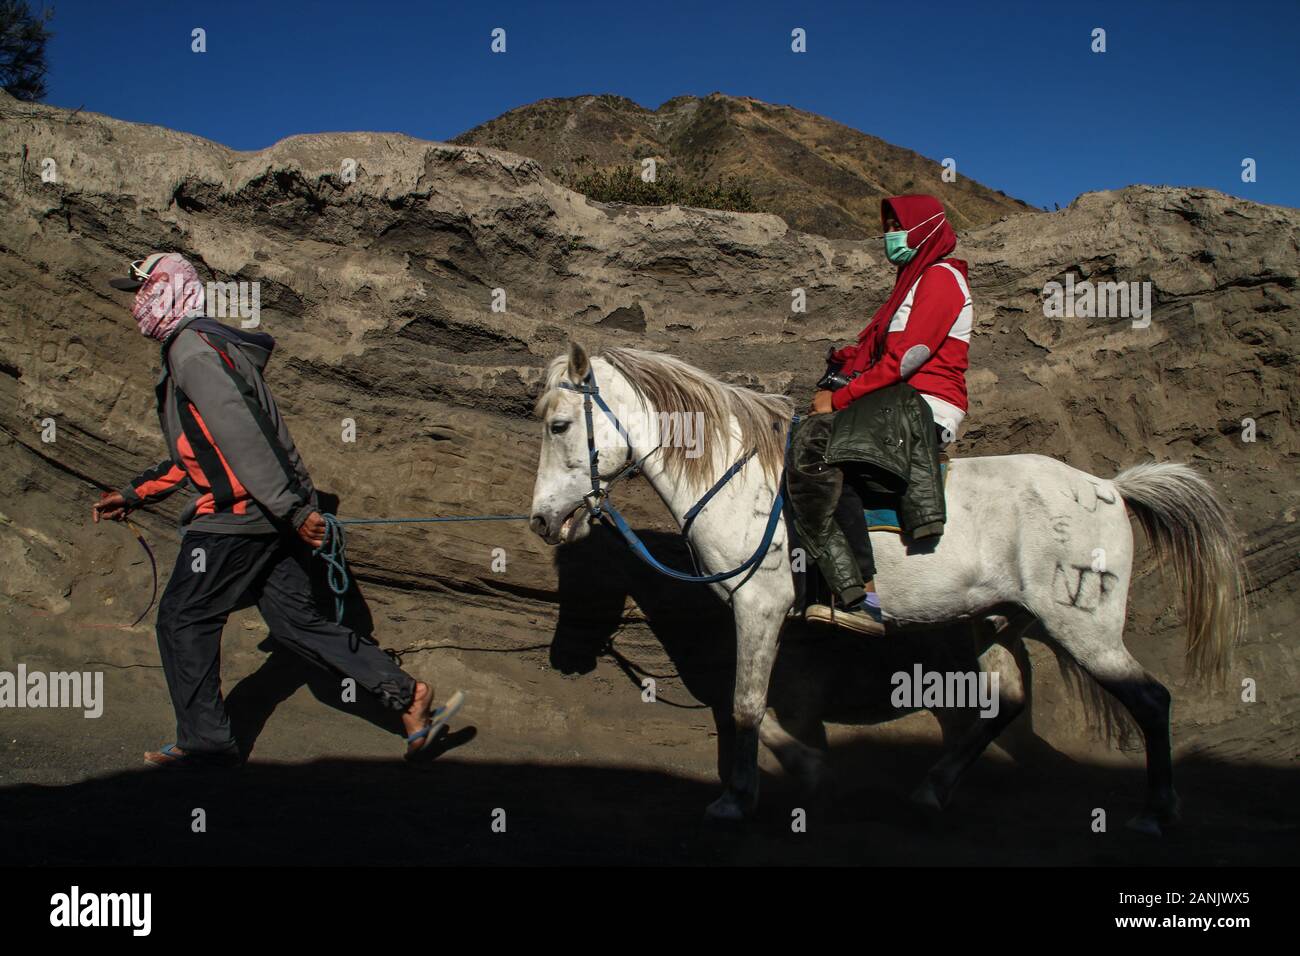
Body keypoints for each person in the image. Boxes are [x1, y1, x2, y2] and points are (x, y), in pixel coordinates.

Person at [93, 252, 463, 766]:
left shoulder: (193, 351)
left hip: (241, 514)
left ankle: (205, 745)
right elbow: (202, 447)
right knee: (298, 626)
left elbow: (245, 436)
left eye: (145, 288)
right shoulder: (199, 346)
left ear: (174, 287)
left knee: (183, 618)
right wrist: (137, 492)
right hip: (266, 510)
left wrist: (291, 510)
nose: (138, 302)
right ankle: (408, 695)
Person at [789, 195, 973, 636]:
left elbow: (909, 356)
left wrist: (842, 398)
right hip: (893, 403)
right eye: (888, 224)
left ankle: (862, 597)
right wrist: (841, 369)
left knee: (821, 454)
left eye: (899, 224)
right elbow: (877, 352)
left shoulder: (941, 278)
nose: (891, 234)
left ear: (925, 228)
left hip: (925, 404)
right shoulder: (909, 285)